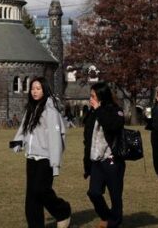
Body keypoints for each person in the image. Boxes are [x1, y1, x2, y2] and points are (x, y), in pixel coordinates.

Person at [11, 77, 71, 228]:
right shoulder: (32, 109)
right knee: (31, 197)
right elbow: (24, 129)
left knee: (41, 190)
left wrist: (55, 164)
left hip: (46, 158)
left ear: (44, 90)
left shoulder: (50, 111)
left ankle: (62, 211)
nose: (34, 91)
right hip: (31, 157)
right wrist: (18, 142)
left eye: (38, 88)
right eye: (32, 89)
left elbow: (55, 139)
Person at [83, 82, 125, 228]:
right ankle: (106, 216)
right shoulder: (92, 112)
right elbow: (87, 139)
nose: (90, 99)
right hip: (96, 161)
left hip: (112, 160)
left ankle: (114, 223)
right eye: (90, 96)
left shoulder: (116, 110)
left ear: (101, 96)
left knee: (115, 196)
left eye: (93, 96)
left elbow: (112, 126)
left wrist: (99, 109)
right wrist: (87, 164)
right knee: (93, 193)